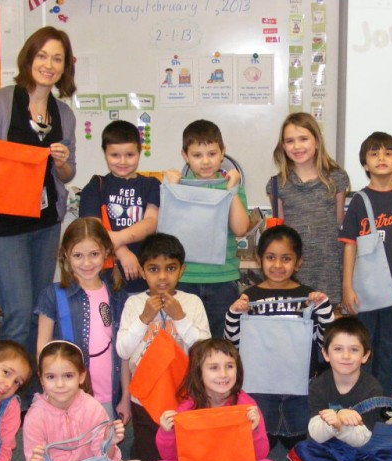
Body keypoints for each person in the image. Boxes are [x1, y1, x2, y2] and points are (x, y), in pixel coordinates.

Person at [0, 27, 77, 362]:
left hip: (45, 224)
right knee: (19, 311)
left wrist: (63, 163)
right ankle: (8, 395)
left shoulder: (63, 114)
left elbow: (67, 173)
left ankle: (35, 389)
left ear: (65, 67)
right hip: (3, 225)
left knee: (40, 309)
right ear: (29, 58)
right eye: (42, 55)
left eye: (57, 58)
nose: (48, 64)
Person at [224, 224, 334, 449]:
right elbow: (232, 344)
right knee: (258, 445)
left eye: (286, 258)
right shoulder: (249, 297)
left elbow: (326, 343)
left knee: (302, 443)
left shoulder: (307, 296)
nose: (277, 265)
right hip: (259, 388)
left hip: (300, 388)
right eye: (271, 257)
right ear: (259, 258)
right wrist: (234, 314)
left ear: (298, 262)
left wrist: (323, 308)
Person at [22, 341, 149, 461]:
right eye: (51, 377)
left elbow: (106, 459)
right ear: (41, 379)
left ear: (81, 376)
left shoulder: (92, 406)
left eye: (68, 376)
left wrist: (110, 444)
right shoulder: (35, 416)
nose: (60, 384)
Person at [150, 339, 277, 461]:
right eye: (214, 368)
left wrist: (254, 430)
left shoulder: (246, 406)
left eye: (230, 366)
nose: (223, 374)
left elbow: (260, 455)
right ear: (199, 373)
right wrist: (166, 432)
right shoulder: (188, 407)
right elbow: (169, 456)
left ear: (238, 370)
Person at [340, 132, 392, 395]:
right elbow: (349, 246)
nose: (381, 158)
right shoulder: (358, 201)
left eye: (388, 153)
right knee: (362, 348)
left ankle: (383, 401)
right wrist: (347, 287)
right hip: (364, 291)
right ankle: (361, 399)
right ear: (364, 163)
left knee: (389, 349)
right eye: (374, 153)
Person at [116, 233, 211, 461]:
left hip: (184, 391)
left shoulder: (192, 303)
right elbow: (123, 351)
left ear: (182, 270)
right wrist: (144, 318)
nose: (162, 277)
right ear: (142, 270)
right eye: (153, 269)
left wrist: (180, 318)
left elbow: (205, 350)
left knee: (186, 457)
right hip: (144, 395)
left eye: (170, 268)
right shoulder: (134, 303)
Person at [286, 317, 392, 461]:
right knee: (303, 450)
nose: (346, 356)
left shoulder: (372, 388)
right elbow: (315, 434)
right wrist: (333, 423)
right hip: (328, 446)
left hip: (361, 447)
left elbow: (363, 440)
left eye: (354, 350)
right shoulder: (319, 385)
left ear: (365, 356)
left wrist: (340, 425)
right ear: (325, 353)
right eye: (338, 349)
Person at [163, 119, 249, 338]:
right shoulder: (178, 186)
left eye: (212, 153)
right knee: (185, 345)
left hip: (222, 279)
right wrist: (172, 189)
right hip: (185, 279)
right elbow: (166, 234)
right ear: (185, 156)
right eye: (197, 155)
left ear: (223, 152)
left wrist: (231, 191)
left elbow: (240, 229)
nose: (205, 161)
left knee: (221, 345)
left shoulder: (229, 186)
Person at [36, 218, 126, 420]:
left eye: (94, 254)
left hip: (108, 395)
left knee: (103, 448)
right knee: (68, 447)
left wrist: (126, 397)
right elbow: (43, 346)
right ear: (65, 254)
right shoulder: (53, 295)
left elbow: (123, 351)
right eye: (78, 255)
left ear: (106, 252)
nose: (86, 263)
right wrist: (48, 385)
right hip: (66, 395)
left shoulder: (117, 295)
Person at [267, 112, 350, 306]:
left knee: (328, 326)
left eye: (303, 139)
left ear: (317, 141)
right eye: (289, 141)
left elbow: (339, 221)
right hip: (293, 267)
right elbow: (278, 230)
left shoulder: (336, 178)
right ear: (283, 146)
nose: (297, 146)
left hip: (328, 266)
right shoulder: (277, 184)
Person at [78, 119, 160, 295]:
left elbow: (151, 222)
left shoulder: (151, 184)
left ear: (139, 151)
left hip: (143, 276)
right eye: (115, 155)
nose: (123, 161)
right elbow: (94, 230)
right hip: (104, 277)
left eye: (130, 155)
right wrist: (122, 252)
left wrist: (117, 239)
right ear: (105, 153)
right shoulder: (96, 186)